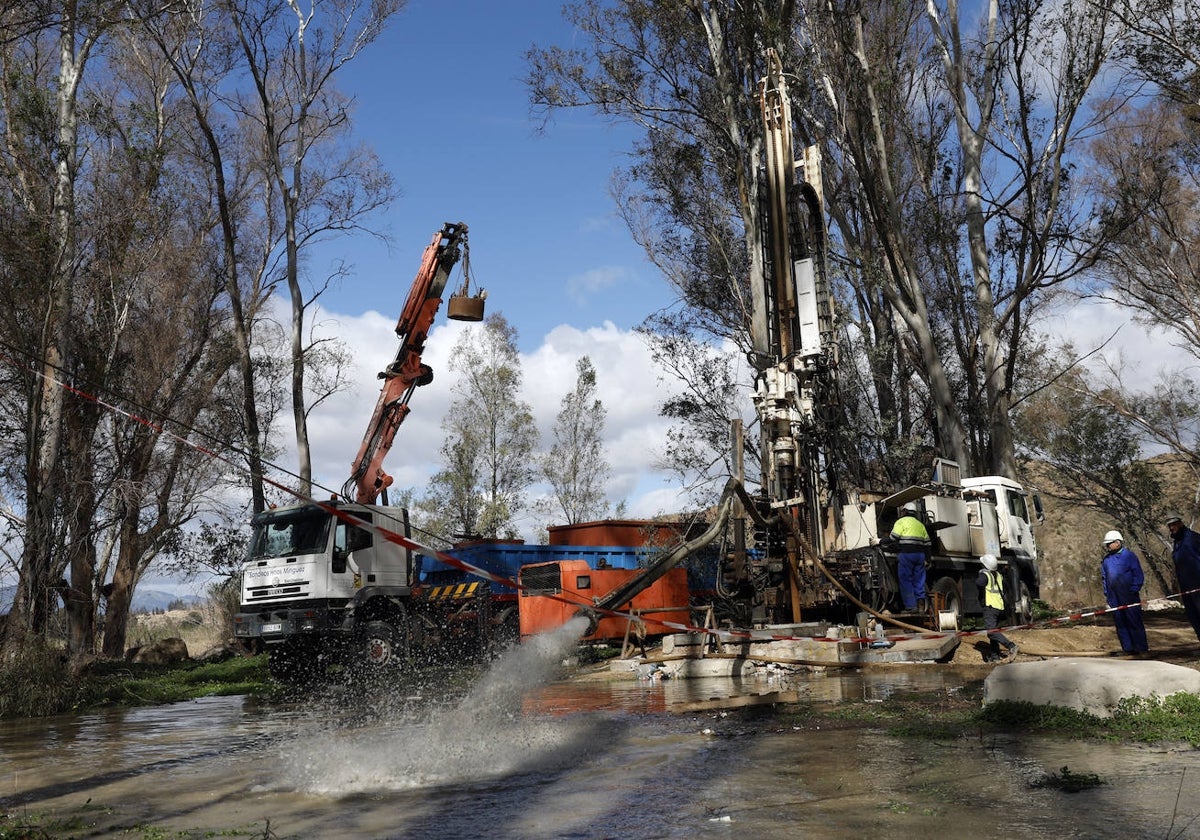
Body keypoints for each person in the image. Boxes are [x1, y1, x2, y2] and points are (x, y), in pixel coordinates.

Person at [1100, 529, 1149, 656]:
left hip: (1129, 594)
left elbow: (1138, 574)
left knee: (1134, 621)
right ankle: (1128, 649)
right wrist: (1107, 594)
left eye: (1109, 543)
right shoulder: (1106, 560)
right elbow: (1104, 577)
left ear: (1118, 542)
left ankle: (1141, 648)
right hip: (1114, 597)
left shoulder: (1129, 556)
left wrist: (1134, 589)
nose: (1107, 546)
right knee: (1120, 622)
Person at [976, 554, 1019, 662]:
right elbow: (1006, 588)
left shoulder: (985, 575)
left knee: (991, 631)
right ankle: (995, 657)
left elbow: (978, 583)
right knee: (993, 632)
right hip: (999, 606)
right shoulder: (998, 575)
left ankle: (1011, 645)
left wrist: (981, 574)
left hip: (990, 607)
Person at [1165, 514, 1200, 644]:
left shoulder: (1193, 538)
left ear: (1180, 523)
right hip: (1186, 586)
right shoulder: (1177, 543)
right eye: (1169, 525)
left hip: (1198, 584)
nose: (1171, 528)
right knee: (1193, 616)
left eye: (1174, 524)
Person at [891, 501, 930, 612]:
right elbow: (928, 544)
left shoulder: (901, 522)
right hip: (920, 556)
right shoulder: (920, 525)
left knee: (905, 580)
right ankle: (921, 604)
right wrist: (928, 559)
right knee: (919, 581)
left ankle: (910, 606)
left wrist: (879, 541)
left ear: (904, 511)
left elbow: (893, 538)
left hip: (906, 555)